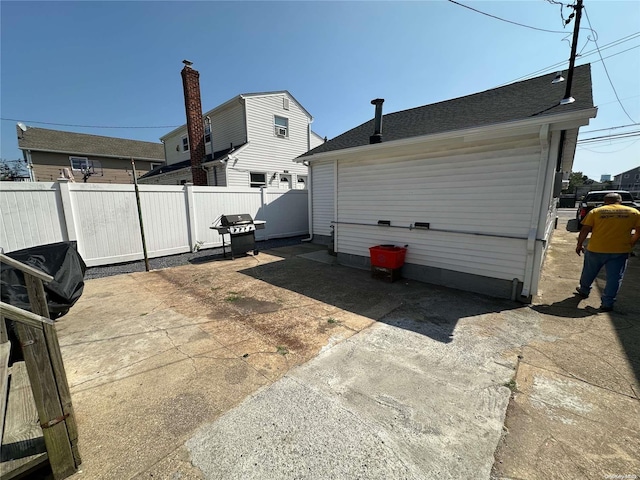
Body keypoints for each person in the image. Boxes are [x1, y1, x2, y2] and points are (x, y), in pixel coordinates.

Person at [575, 192, 640, 311]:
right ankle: (607, 303)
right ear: (620, 201)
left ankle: (584, 290)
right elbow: (638, 232)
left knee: (589, 271)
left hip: (596, 248)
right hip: (620, 250)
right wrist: (631, 243)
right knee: (615, 277)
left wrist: (579, 244)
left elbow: (585, 229)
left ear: (605, 201)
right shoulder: (634, 213)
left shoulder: (596, 212)